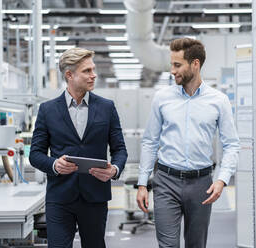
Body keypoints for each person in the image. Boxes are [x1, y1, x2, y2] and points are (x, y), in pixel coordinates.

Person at [136, 38, 240, 248]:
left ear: (195, 64)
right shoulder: (162, 98)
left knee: (196, 245)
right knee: (167, 245)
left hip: (202, 183)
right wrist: (142, 183)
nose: (172, 71)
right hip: (165, 181)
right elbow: (150, 141)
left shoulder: (218, 100)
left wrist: (221, 180)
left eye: (177, 65)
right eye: (171, 65)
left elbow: (231, 144)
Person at [29, 47, 127, 248]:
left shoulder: (106, 107)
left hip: (95, 196)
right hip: (60, 197)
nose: (94, 75)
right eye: (87, 71)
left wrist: (114, 169)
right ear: (69, 75)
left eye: (93, 69)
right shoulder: (47, 110)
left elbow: (120, 149)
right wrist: (55, 164)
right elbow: (35, 154)